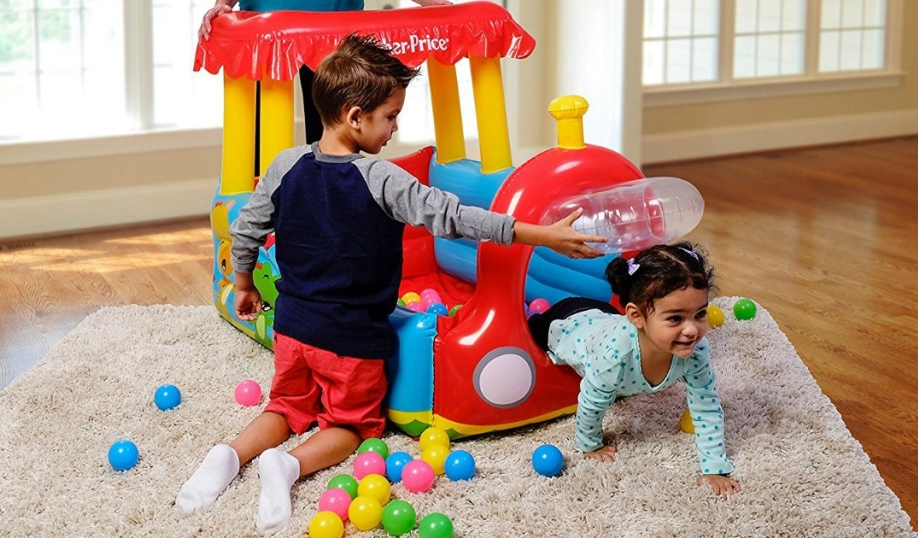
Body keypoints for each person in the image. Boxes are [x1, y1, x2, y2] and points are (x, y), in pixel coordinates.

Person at [175, 33, 606, 534]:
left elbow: (247, 227)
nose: (395, 128)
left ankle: (230, 453)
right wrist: (541, 234)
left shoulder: (285, 164)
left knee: (286, 407)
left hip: (293, 328)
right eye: (390, 116)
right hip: (352, 339)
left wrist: (245, 281)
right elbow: (458, 218)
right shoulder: (382, 179)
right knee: (353, 426)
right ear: (355, 117)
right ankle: (289, 465)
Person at [527, 242, 743, 498]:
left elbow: (706, 404)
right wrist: (591, 445)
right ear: (636, 316)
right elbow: (591, 402)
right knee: (533, 328)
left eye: (700, 314)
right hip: (567, 321)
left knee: (606, 316)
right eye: (676, 318)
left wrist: (714, 468)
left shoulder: (696, 351)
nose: (692, 329)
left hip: (605, 314)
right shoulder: (614, 357)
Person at [198, 0, 452, 144]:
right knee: (261, 133)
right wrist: (223, 4)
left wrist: (432, 3)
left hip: (333, 22)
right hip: (264, 23)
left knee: (333, 125)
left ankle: (332, 205)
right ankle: (260, 218)